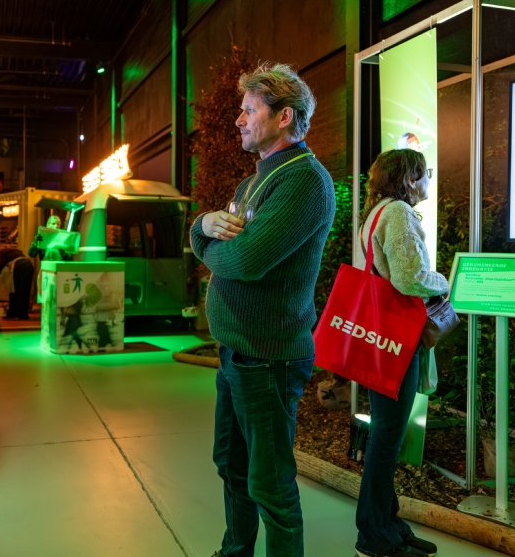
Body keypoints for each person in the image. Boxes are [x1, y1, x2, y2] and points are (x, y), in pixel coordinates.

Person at [189, 62, 335, 557]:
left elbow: (245, 261)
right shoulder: (253, 182)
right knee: (231, 466)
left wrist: (205, 245)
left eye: (250, 110)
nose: (239, 119)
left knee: (271, 485)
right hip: (237, 352)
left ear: (283, 117)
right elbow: (217, 237)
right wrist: (203, 226)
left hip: (268, 357)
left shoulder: (304, 182)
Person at [354, 148, 447, 557]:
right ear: (410, 179)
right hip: (397, 338)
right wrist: (446, 282)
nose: (428, 180)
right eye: (425, 173)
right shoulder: (399, 213)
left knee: (385, 432)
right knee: (387, 436)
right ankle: (374, 535)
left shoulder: (376, 212)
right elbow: (409, 279)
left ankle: (389, 523)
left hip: (381, 336)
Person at [0, 247, 34, 319]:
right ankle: (23, 314)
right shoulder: (16, 252)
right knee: (25, 291)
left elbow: (2, 263)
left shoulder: (3, 254)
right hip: (29, 265)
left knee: (15, 291)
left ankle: (12, 313)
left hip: (18, 267)